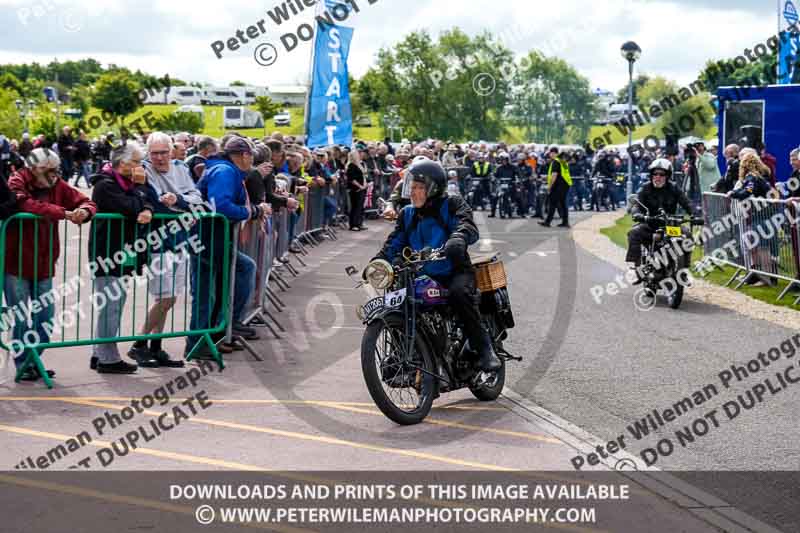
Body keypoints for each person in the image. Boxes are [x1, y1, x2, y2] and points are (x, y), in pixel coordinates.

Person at [370, 159, 501, 373]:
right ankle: (403, 353)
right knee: (396, 301)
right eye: (412, 187)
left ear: (433, 189)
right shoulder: (407, 214)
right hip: (420, 275)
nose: (414, 192)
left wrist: (458, 238)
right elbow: (394, 243)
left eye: (420, 187)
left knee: (460, 294)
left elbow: (467, 224)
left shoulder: (452, 204)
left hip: (453, 271)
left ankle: (485, 350)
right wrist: (378, 263)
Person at [5, 148, 97, 380]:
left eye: (56, 170)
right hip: (15, 262)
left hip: (44, 262)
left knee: (45, 318)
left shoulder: (57, 184)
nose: (55, 174)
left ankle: (30, 360)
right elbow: (26, 205)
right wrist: (65, 213)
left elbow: (85, 200)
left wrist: (84, 212)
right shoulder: (17, 180)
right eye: (49, 170)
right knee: (20, 318)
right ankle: (24, 364)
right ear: (34, 168)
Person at [188, 137, 269, 359]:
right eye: (251, 156)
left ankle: (219, 331)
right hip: (207, 237)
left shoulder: (226, 169)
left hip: (215, 237)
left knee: (220, 285)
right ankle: (203, 339)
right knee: (207, 292)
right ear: (243, 156)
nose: (252, 161)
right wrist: (252, 211)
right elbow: (220, 205)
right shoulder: (224, 171)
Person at [129, 132, 204, 367]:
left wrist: (180, 202)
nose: (159, 158)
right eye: (154, 153)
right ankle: (139, 344)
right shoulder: (143, 170)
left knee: (170, 297)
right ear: (148, 154)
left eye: (163, 153)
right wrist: (182, 206)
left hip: (181, 237)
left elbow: (196, 197)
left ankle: (156, 345)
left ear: (171, 151)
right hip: (157, 240)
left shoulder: (181, 168)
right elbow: (155, 199)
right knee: (165, 296)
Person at [88, 142, 155, 374]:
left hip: (124, 251)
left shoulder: (127, 184)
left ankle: (99, 353)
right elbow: (131, 206)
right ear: (123, 163)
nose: (140, 166)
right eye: (136, 161)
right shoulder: (105, 185)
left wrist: (146, 206)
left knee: (116, 303)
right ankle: (108, 358)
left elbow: (146, 203)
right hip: (107, 252)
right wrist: (140, 193)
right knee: (111, 306)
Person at [626, 159, 692, 272]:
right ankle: (638, 266)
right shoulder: (645, 188)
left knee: (687, 234)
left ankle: (684, 269)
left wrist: (695, 214)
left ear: (667, 176)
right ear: (651, 175)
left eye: (662, 174)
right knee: (634, 232)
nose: (658, 177)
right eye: (655, 174)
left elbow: (686, 203)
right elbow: (637, 204)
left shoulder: (674, 188)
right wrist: (637, 214)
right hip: (650, 223)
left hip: (670, 224)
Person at [539, 147, 572, 228]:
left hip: (558, 185)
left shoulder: (556, 162)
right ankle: (565, 222)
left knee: (552, 203)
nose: (550, 155)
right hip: (565, 184)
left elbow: (554, 175)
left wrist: (549, 187)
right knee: (563, 204)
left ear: (555, 153)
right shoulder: (562, 161)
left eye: (551, 153)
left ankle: (547, 222)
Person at [346, 149, 367, 231]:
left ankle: (359, 223)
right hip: (355, 189)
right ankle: (353, 224)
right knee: (355, 207)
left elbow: (363, 176)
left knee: (360, 207)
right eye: (357, 155)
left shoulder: (359, 165)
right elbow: (352, 179)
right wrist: (360, 186)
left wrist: (364, 185)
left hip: (362, 188)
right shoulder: (351, 166)